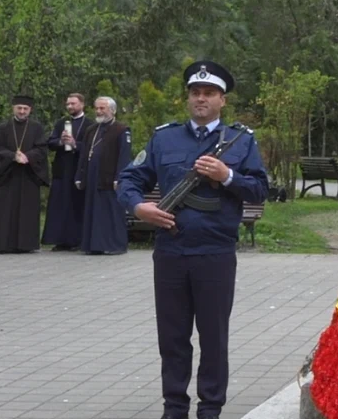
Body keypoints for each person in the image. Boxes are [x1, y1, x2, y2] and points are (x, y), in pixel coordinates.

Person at [119, 61, 269, 419]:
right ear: (188, 98)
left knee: (213, 336)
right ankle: (174, 406)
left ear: (222, 100)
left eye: (209, 93)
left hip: (215, 253)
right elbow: (129, 179)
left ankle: (211, 408)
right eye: (195, 92)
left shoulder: (241, 141)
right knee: (172, 337)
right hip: (171, 250)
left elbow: (260, 189)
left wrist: (228, 175)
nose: (201, 99)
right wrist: (140, 208)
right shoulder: (164, 137)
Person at [0, 94, 51, 253]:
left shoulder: (36, 128)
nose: (22, 111)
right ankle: (2, 244)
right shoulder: (3, 128)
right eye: (19, 108)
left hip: (28, 175)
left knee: (26, 211)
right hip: (7, 175)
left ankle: (26, 245)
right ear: (13, 108)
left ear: (30, 110)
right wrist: (13, 156)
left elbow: (42, 148)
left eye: (25, 109)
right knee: (5, 210)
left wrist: (27, 156)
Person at [76, 96, 131, 255]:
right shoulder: (91, 130)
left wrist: (119, 177)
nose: (99, 111)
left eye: (102, 108)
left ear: (112, 110)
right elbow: (84, 154)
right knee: (93, 211)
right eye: (97, 108)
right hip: (92, 177)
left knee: (111, 211)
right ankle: (94, 245)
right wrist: (79, 176)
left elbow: (124, 156)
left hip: (109, 177)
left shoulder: (121, 129)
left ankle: (115, 245)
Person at [42, 92, 94, 250]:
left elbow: (92, 147)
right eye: (68, 104)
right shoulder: (61, 123)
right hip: (62, 170)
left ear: (82, 104)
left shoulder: (89, 125)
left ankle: (76, 240)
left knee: (76, 205)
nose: (70, 106)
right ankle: (60, 240)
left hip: (78, 169)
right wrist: (60, 141)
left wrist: (74, 144)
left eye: (73, 104)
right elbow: (50, 142)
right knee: (59, 206)